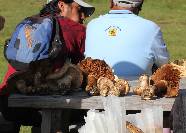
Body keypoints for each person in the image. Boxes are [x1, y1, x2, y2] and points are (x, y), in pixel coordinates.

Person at [0, 0, 94, 132]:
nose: (84, 17)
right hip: (43, 107)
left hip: (7, 102)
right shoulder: (75, 29)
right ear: (62, 5)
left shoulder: (29, 22)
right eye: (80, 10)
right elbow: (85, 71)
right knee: (86, 111)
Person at [85, 0, 169, 78]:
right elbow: (163, 63)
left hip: (96, 89)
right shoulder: (151, 28)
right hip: (138, 90)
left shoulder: (92, 25)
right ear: (140, 6)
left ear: (111, 2)